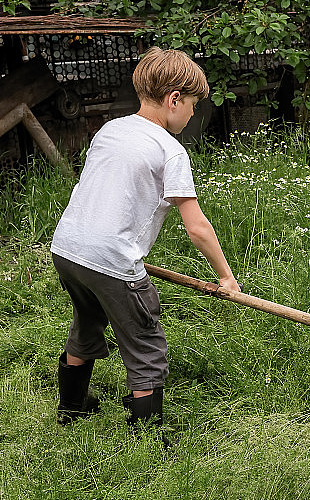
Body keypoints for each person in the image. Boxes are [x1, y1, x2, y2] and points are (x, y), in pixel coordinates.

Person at [50, 47, 240, 436]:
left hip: (67, 249)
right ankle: (147, 434)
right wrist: (226, 277)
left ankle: (72, 407)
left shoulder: (111, 129)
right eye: (192, 105)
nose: (191, 114)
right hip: (112, 261)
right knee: (145, 342)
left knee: (87, 321)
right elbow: (197, 226)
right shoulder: (170, 150)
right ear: (174, 100)